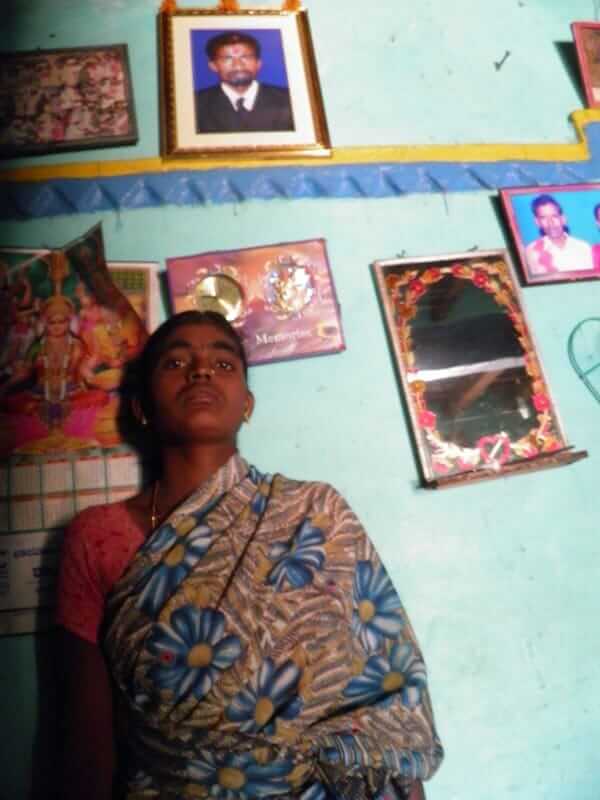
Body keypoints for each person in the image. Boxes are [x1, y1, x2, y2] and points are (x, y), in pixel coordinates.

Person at [56, 310, 443, 800]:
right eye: (175, 363)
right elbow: (85, 736)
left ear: (247, 404)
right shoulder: (96, 537)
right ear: (141, 408)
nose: (200, 371)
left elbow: (383, 684)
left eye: (223, 365)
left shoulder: (315, 512)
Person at [194, 32, 294, 134]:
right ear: (213, 66)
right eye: (227, 58)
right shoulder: (195, 104)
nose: (238, 65)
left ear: (258, 63)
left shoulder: (290, 100)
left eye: (246, 57)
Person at [524, 194, 593, 277]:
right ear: (537, 222)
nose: (550, 223)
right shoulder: (531, 252)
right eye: (543, 218)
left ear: (563, 219)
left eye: (554, 216)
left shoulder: (583, 248)